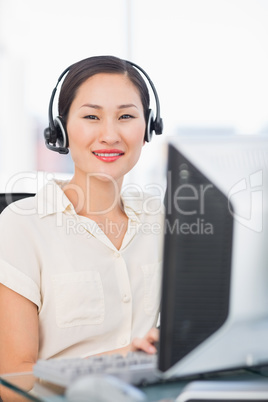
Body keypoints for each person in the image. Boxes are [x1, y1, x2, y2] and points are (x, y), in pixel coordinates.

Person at [0, 56, 163, 377]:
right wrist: (118, 361)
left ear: (148, 127)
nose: (110, 135)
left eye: (126, 116)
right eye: (91, 116)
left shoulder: (161, 218)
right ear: (60, 129)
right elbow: (11, 380)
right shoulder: (21, 225)